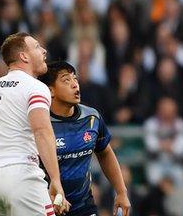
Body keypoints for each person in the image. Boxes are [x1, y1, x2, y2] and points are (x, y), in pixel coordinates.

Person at [0, 32, 69, 216]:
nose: (44, 51)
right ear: (24, 56)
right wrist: (55, 179)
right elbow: (41, 131)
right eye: (37, 47)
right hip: (20, 174)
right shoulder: (35, 87)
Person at [40, 61, 131, 216]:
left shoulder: (91, 117)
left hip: (83, 206)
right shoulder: (40, 125)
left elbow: (105, 153)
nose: (75, 84)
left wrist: (121, 192)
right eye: (66, 80)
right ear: (51, 91)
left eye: (75, 79)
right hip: (45, 206)